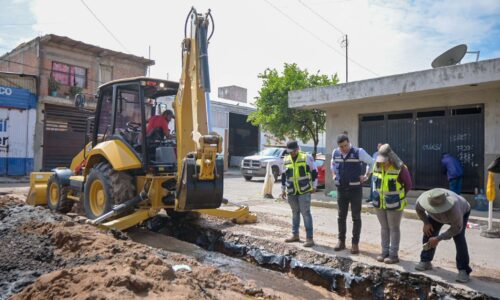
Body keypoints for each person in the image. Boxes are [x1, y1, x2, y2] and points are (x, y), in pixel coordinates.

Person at [414, 188, 472, 283]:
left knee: (459, 239)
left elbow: (455, 229)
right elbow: (418, 210)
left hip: (461, 212)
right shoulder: (422, 200)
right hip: (435, 218)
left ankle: (464, 270)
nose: (437, 210)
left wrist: (438, 238)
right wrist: (426, 222)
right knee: (429, 232)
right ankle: (426, 260)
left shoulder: (455, 209)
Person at [331, 134, 374, 254]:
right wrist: (334, 174)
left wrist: (366, 176)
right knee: (341, 217)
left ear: (349, 142)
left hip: (355, 190)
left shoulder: (358, 152)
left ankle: (355, 244)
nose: (344, 148)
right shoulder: (335, 152)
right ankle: (341, 241)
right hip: (341, 189)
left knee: (356, 217)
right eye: (341, 147)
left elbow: (372, 162)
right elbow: (333, 163)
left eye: (345, 145)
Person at [372, 144, 412, 264]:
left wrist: (398, 196)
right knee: (384, 228)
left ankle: (393, 255)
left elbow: (408, 185)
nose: (382, 163)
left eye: (385, 161)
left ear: (390, 157)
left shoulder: (401, 168)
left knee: (394, 228)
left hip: (395, 204)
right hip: (379, 203)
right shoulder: (377, 165)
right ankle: (384, 252)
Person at [281, 141, 318, 247]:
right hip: (292, 191)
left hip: (304, 190)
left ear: (297, 149)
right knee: (294, 213)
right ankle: (295, 235)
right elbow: (284, 176)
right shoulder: (286, 159)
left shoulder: (306, 157)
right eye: (290, 151)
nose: (291, 153)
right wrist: (283, 189)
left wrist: (314, 186)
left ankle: (309, 238)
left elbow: (314, 171)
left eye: (293, 151)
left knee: (306, 213)